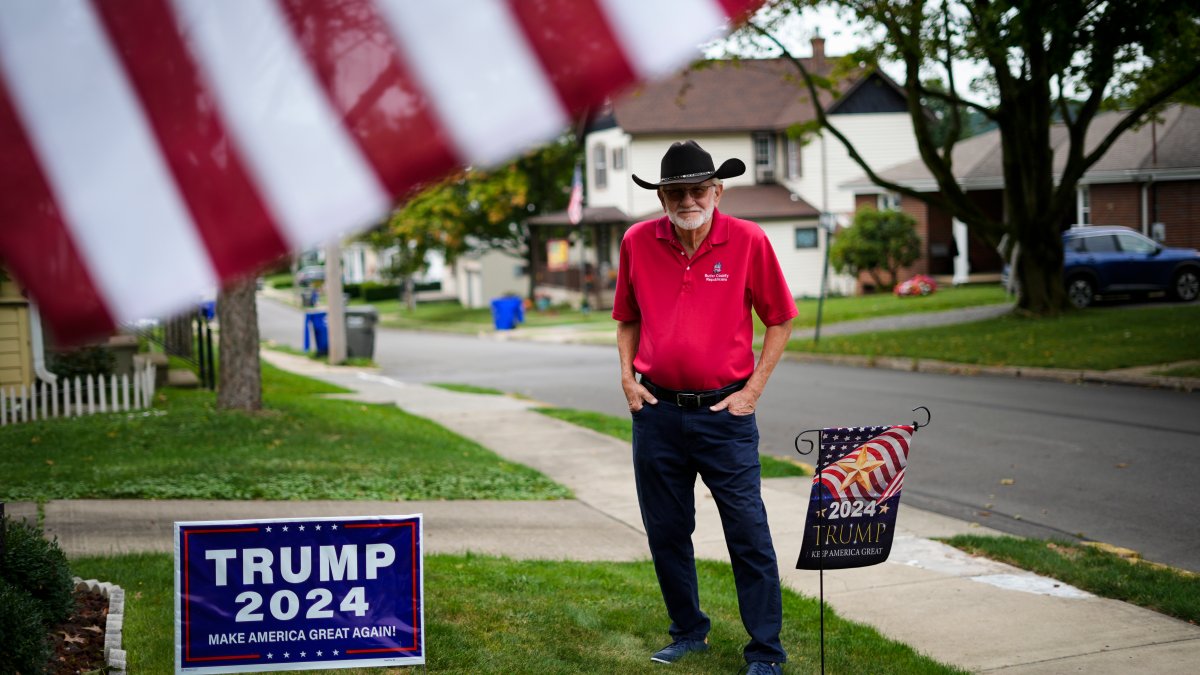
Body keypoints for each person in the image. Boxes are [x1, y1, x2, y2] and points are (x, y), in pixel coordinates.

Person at [613, 140, 796, 675]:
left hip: (726, 417)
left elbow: (780, 318)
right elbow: (627, 316)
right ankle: (689, 632)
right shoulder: (636, 241)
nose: (687, 200)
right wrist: (627, 379)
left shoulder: (748, 240)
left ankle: (765, 651)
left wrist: (752, 391)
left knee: (748, 532)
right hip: (657, 414)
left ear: (718, 191)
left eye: (698, 190)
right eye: (676, 192)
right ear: (662, 197)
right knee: (667, 531)